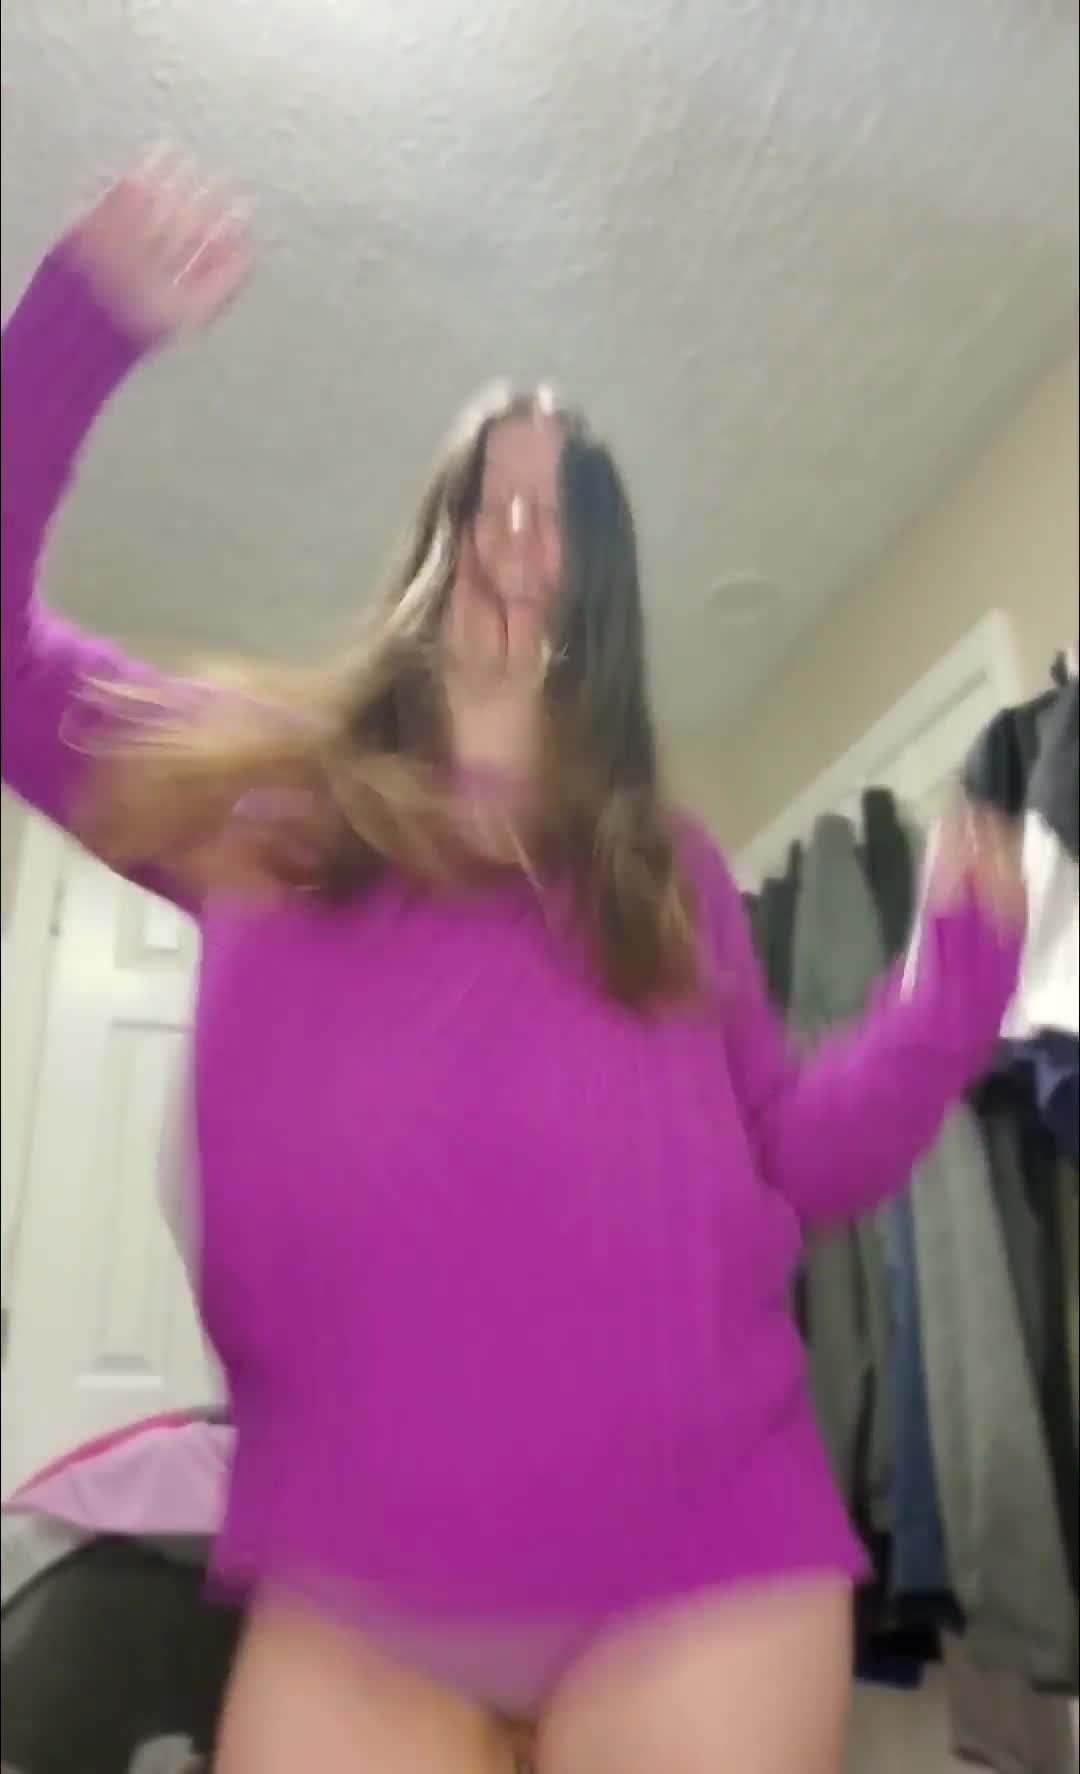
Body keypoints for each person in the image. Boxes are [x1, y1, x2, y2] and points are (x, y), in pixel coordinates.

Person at [1, 156, 1026, 1774]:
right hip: (356, 1588)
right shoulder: (261, 788)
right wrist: (80, 326)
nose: (524, 534)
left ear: (599, 585)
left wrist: (958, 978)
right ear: (437, 537)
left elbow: (804, 1153)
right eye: (493, 494)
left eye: (568, 512)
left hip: (703, 1560)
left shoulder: (668, 868)